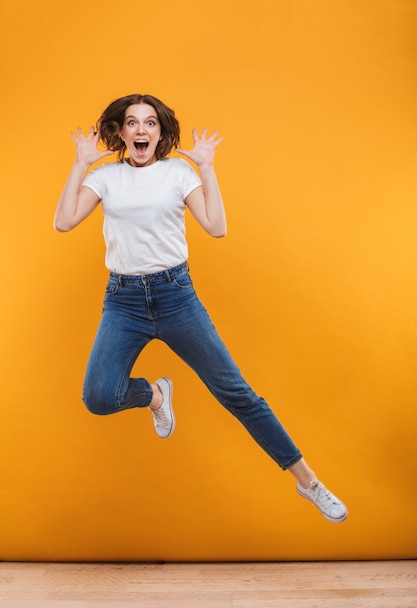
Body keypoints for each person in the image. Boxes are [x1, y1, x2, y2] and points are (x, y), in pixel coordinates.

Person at [54, 93, 347, 523]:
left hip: (175, 296)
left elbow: (216, 227)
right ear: (119, 133)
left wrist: (207, 169)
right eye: (132, 123)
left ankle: (309, 482)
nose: (141, 130)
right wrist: (80, 163)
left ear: (159, 132)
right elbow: (63, 221)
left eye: (149, 123)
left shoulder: (178, 172)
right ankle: (156, 395)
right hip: (124, 300)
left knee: (237, 393)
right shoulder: (105, 177)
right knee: (98, 397)